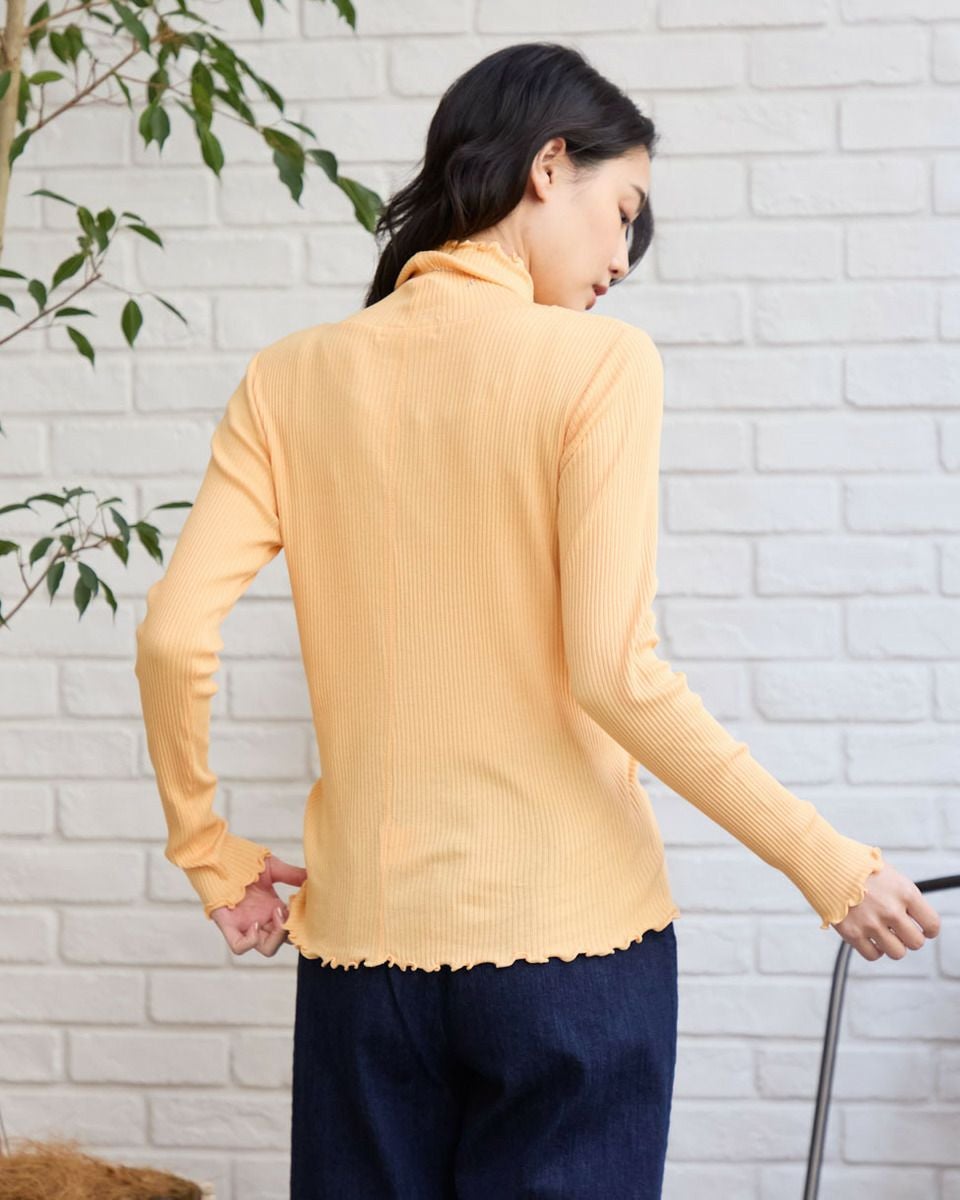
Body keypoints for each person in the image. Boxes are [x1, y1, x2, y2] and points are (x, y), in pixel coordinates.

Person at [134, 40, 942, 1200]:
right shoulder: (599, 367)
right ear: (548, 166)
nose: (621, 259)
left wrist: (211, 855)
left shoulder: (287, 377)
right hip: (573, 959)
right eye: (624, 214)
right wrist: (829, 866)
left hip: (363, 963)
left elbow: (170, 636)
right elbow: (616, 671)